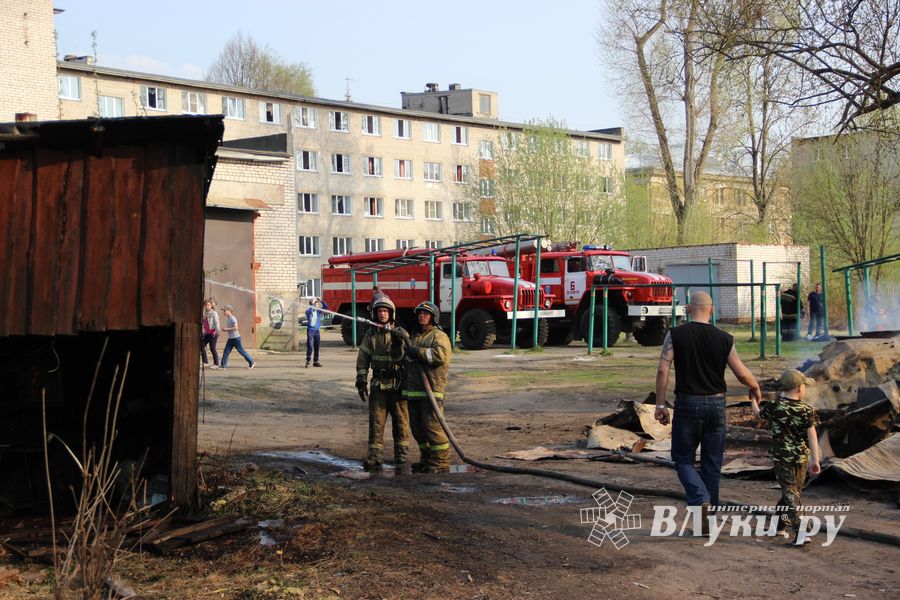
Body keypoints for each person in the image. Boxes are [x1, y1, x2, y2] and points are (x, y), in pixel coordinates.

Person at [655, 291, 762, 516]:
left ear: (687, 308)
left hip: (688, 404)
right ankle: (709, 516)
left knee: (683, 460)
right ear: (711, 310)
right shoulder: (725, 338)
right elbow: (742, 373)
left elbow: (663, 368)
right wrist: (755, 387)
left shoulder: (675, 334)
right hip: (717, 406)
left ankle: (700, 499)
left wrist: (660, 404)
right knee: (712, 464)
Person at [751, 369, 821, 541]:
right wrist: (815, 460)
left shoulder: (775, 407)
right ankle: (801, 530)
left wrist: (753, 400)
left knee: (790, 493)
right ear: (798, 388)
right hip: (802, 458)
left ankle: (780, 525)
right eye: (804, 386)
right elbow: (812, 436)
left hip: (782, 457)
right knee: (792, 492)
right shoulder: (807, 410)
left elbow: (758, 414)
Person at [394, 301, 453, 473]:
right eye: (419, 313)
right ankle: (427, 459)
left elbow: (440, 356)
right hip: (414, 391)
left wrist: (418, 352)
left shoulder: (438, 336)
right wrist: (398, 345)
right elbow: (403, 359)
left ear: (433, 317)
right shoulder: (415, 336)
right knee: (418, 430)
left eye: (426, 313)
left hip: (431, 390)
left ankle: (441, 462)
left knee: (433, 428)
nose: (422, 316)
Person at [355, 295, 410, 470]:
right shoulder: (370, 335)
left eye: (385, 311)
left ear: (391, 314)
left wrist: (397, 343)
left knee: (401, 421)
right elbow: (363, 359)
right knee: (376, 421)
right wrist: (361, 380)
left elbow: (404, 358)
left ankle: (401, 454)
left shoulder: (400, 333)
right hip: (378, 385)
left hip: (397, 385)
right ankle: (375, 455)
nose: (382, 314)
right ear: (375, 314)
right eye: (379, 311)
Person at [220, 305, 255, 369]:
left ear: (229, 311)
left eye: (225, 310)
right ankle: (223, 366)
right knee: (226, 351)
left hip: (236, 338)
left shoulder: (233, 318)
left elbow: (236, 328)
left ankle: (251, 362)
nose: (224, 312)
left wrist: (226, 329)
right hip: (231, 338)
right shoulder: (228, 318)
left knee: (241, 351)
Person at [305, 297, 328, 367]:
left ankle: (316, 361)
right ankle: (308, 361)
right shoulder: (309, 311)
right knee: (310, 346)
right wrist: (312, 304)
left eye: (318, 304)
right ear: (313, 304)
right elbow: (309, 312)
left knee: (317, 346)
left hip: (316, 331)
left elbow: (326, 307)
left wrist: (321, 300)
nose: (318, 305)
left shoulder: (318, 312)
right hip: (310, 331)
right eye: (316, 304)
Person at [201, 298, 220, 369]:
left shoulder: (214, 313)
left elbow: (216, 323)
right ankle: (205, 362)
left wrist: (217, 332)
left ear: (211, 306)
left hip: (213, 333)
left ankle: (216, 364)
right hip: (207, 333)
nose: (207, 306)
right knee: (201, 345)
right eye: (205, 305)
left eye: (208, 305)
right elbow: (204, 323)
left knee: (212, 348)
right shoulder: (204, 313)